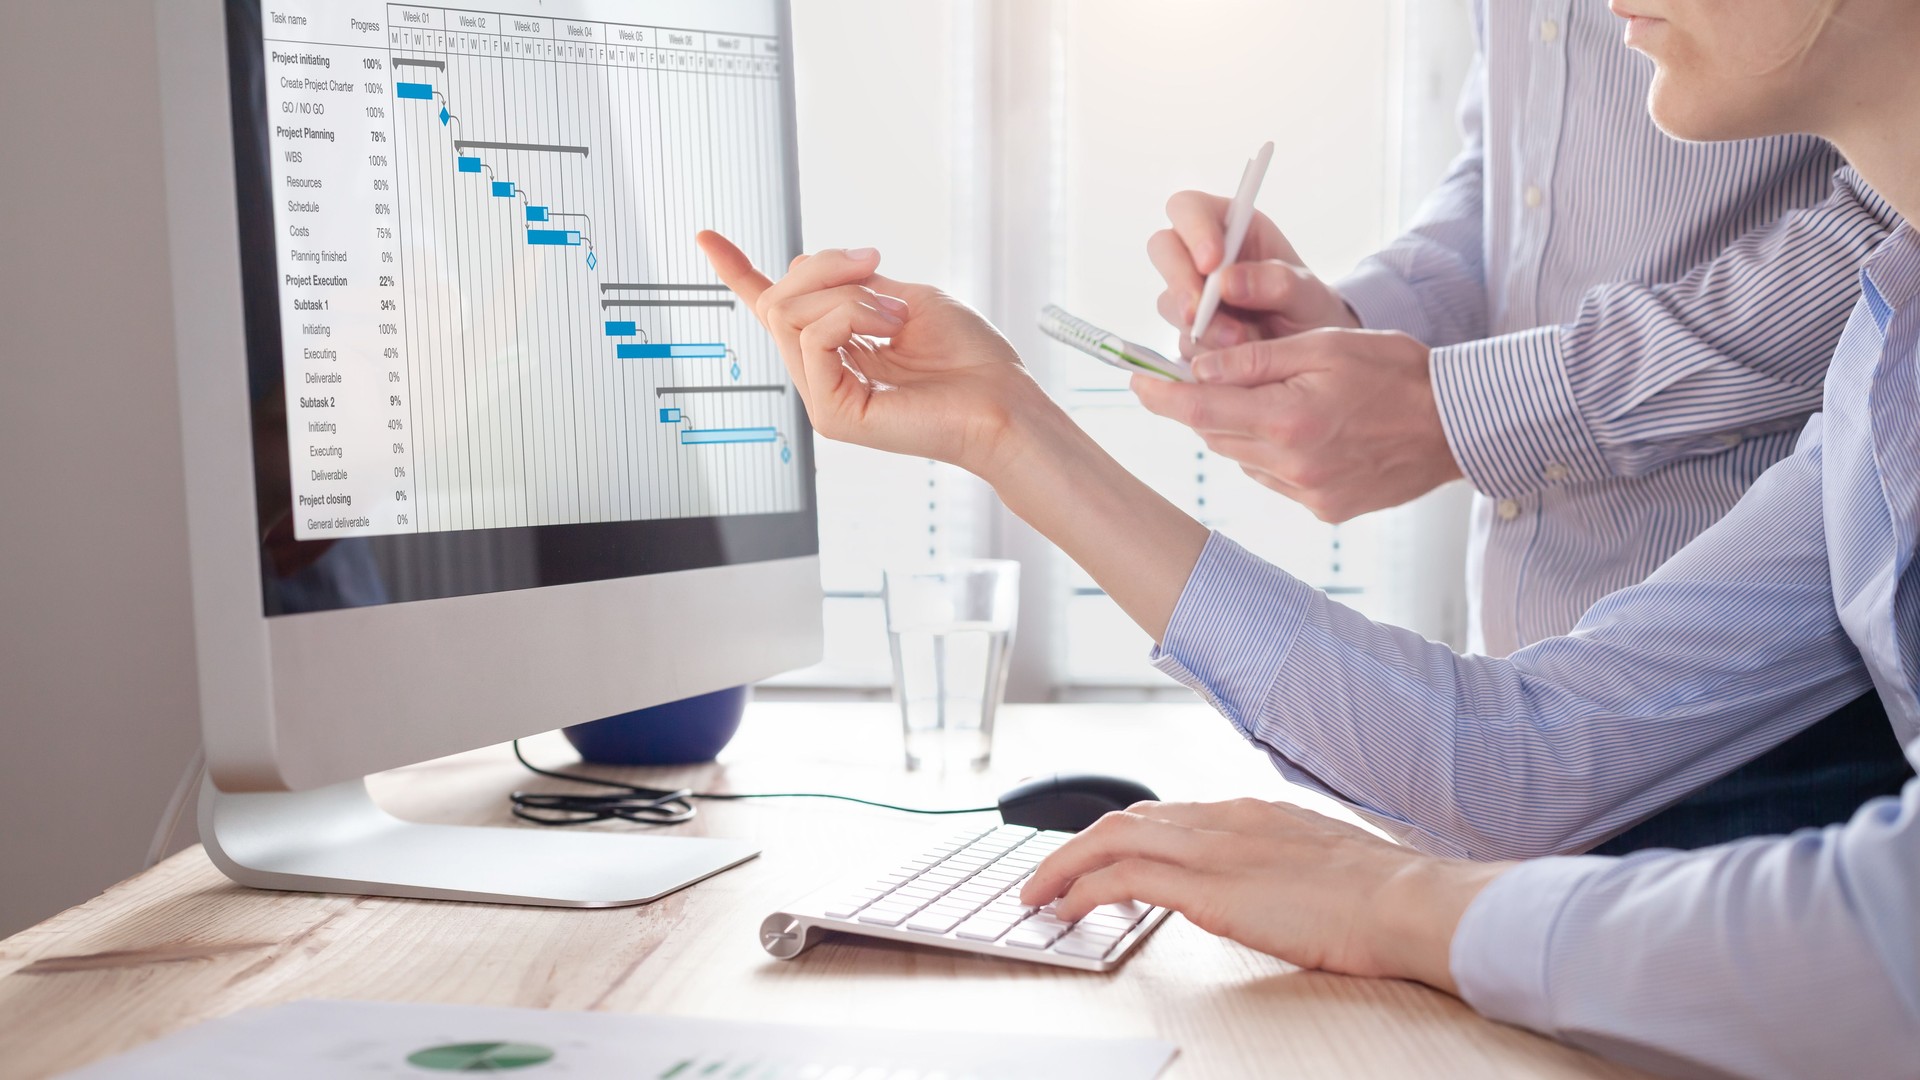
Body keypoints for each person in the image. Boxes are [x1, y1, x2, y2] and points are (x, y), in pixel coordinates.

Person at [693, 0, 1920, 1070]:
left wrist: (1402, 906)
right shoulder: (1881, 356)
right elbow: (1520, 757)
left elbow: (1885, 941)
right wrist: (1008, 432)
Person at [1137, 0, 1909, 854]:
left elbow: (1887, 215)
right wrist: (1357, 328)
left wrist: (1463, 407)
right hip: (1525, 703)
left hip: (1762, 704)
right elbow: (1516, 166)